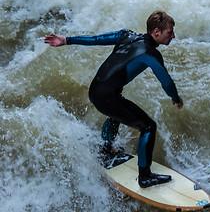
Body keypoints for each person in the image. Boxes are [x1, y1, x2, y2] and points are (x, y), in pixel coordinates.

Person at [44, 11, 183, 188]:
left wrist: (66, 40)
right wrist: (176, 98)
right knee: (148, 127)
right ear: (156, 32)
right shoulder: (151, 54)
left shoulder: (126, 35)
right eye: (169, 32)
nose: (173, 36)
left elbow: (97, 39)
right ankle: (145, 177)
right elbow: (166, 82)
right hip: (108, 97)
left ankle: (105, 151)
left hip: (95, 90)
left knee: (117, 112)